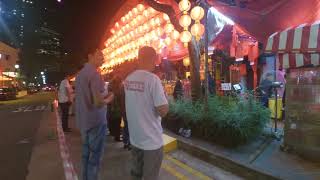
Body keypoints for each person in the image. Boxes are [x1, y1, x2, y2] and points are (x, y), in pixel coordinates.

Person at [124, 46, 169, 180]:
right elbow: (163, 111)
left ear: (138, 59)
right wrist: (165, 97)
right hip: (151, 142)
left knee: (136, 175)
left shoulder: (128, 79)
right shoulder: (153, 80)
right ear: (154, 59)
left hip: (135, 139)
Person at [75, 49, 114, 180]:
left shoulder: (80, 75)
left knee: (86, 157)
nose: (103, 58)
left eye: (103, 56)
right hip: (96, 122)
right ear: (90, 55)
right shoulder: (95, 74)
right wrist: (109, 98)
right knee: (94, 159)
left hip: (83, 122)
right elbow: (98, 102)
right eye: (100, 56)